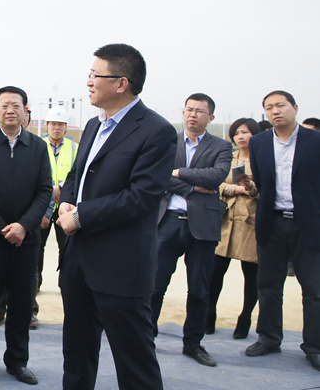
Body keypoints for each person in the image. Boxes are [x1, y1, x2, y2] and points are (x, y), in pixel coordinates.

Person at [56, 43, 177, 390]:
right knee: (77, 354)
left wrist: (81, 215)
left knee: (134, 361)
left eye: (95, 75)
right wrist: (67, 200)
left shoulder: (156, 131)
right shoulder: (94, 126)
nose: (89, 82)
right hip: (78, 260)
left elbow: (142, 197)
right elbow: (78, 173)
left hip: (120, 266)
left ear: (121, 83)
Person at [0, 86, 52, 386]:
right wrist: (1, 227)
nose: (10, 110)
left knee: (21, 304)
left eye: (16, 105)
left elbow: (45, 190)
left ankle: (17, 361)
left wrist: (23, 226)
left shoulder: (37, 146)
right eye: (4, 106)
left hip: (26, 241)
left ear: (25, 110)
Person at [150, 93, 232, 367]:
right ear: (183, 112)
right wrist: (194, 186)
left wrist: (178, 173)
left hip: (203, 226)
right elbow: (158, 176)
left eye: (199, 111)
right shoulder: (168, 141)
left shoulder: (221, 146)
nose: (193, 114)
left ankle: (193, 343)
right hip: (168, 222)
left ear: (211, 117)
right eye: (189, 109)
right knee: (155, 286)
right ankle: (146, 337)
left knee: (199, 290)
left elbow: (217, 176)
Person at [245, 91, 320, 372]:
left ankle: (314, 345)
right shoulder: (259, 142)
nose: (275, 111)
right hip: (272, 222)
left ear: (295, 108)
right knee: (268, 285)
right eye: (269, 107)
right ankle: (269, 338)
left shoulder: (315, 140)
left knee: (314, 290)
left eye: (280, 105)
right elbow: (262, 182)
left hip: (308, 224)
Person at [207, 117, 262, 339]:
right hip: (225, 220)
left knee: (251, 275)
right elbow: (216, 181)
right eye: (237, 133)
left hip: (251, 222)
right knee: (214, 272)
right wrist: (235, 189)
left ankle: (245, 318)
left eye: (245, 132)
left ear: (255, 135)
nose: (241, 136)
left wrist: (252, 188)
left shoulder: (262, 159)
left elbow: (268, 188)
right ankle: (209, 315)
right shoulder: (228, 158)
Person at [37, 108, 76, 308]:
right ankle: (35, 283)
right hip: (42, 204)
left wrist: (61, 188)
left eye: (60, 124)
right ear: (47, 126)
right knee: (37, 247)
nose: (56, 128)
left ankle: (65, 284)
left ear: (66, 127)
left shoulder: (75, 148)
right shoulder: (38, 146)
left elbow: (77, 174)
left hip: (65, 206)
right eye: (53, 124)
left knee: (66, 248)